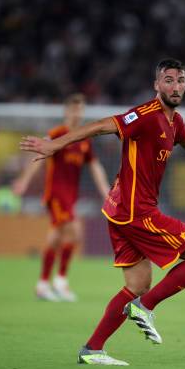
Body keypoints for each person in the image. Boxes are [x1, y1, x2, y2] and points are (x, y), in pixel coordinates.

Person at [21, 58, 185, 365]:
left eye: (181, 80)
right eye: (169, 80)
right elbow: (103, 125)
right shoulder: (145, 115)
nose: (176, 86)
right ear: (157, 85)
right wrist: (56, 144)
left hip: (120, 210)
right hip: (136, 212)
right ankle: (144, 307)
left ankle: (93, 349)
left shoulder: (175, 122)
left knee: (135, 285)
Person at [13, 94, 110, 302]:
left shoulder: (83, 139)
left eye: (81, 110)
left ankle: (43, 285)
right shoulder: (57, 134)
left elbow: (95, 167)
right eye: (74, 109)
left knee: (56, 238)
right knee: (75, 231)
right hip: (56, 194)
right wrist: (23, 181)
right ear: (66, 112)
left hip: (70, 196)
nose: (78, 113)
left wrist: (105, 191)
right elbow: (38, 158)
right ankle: (60, 281)